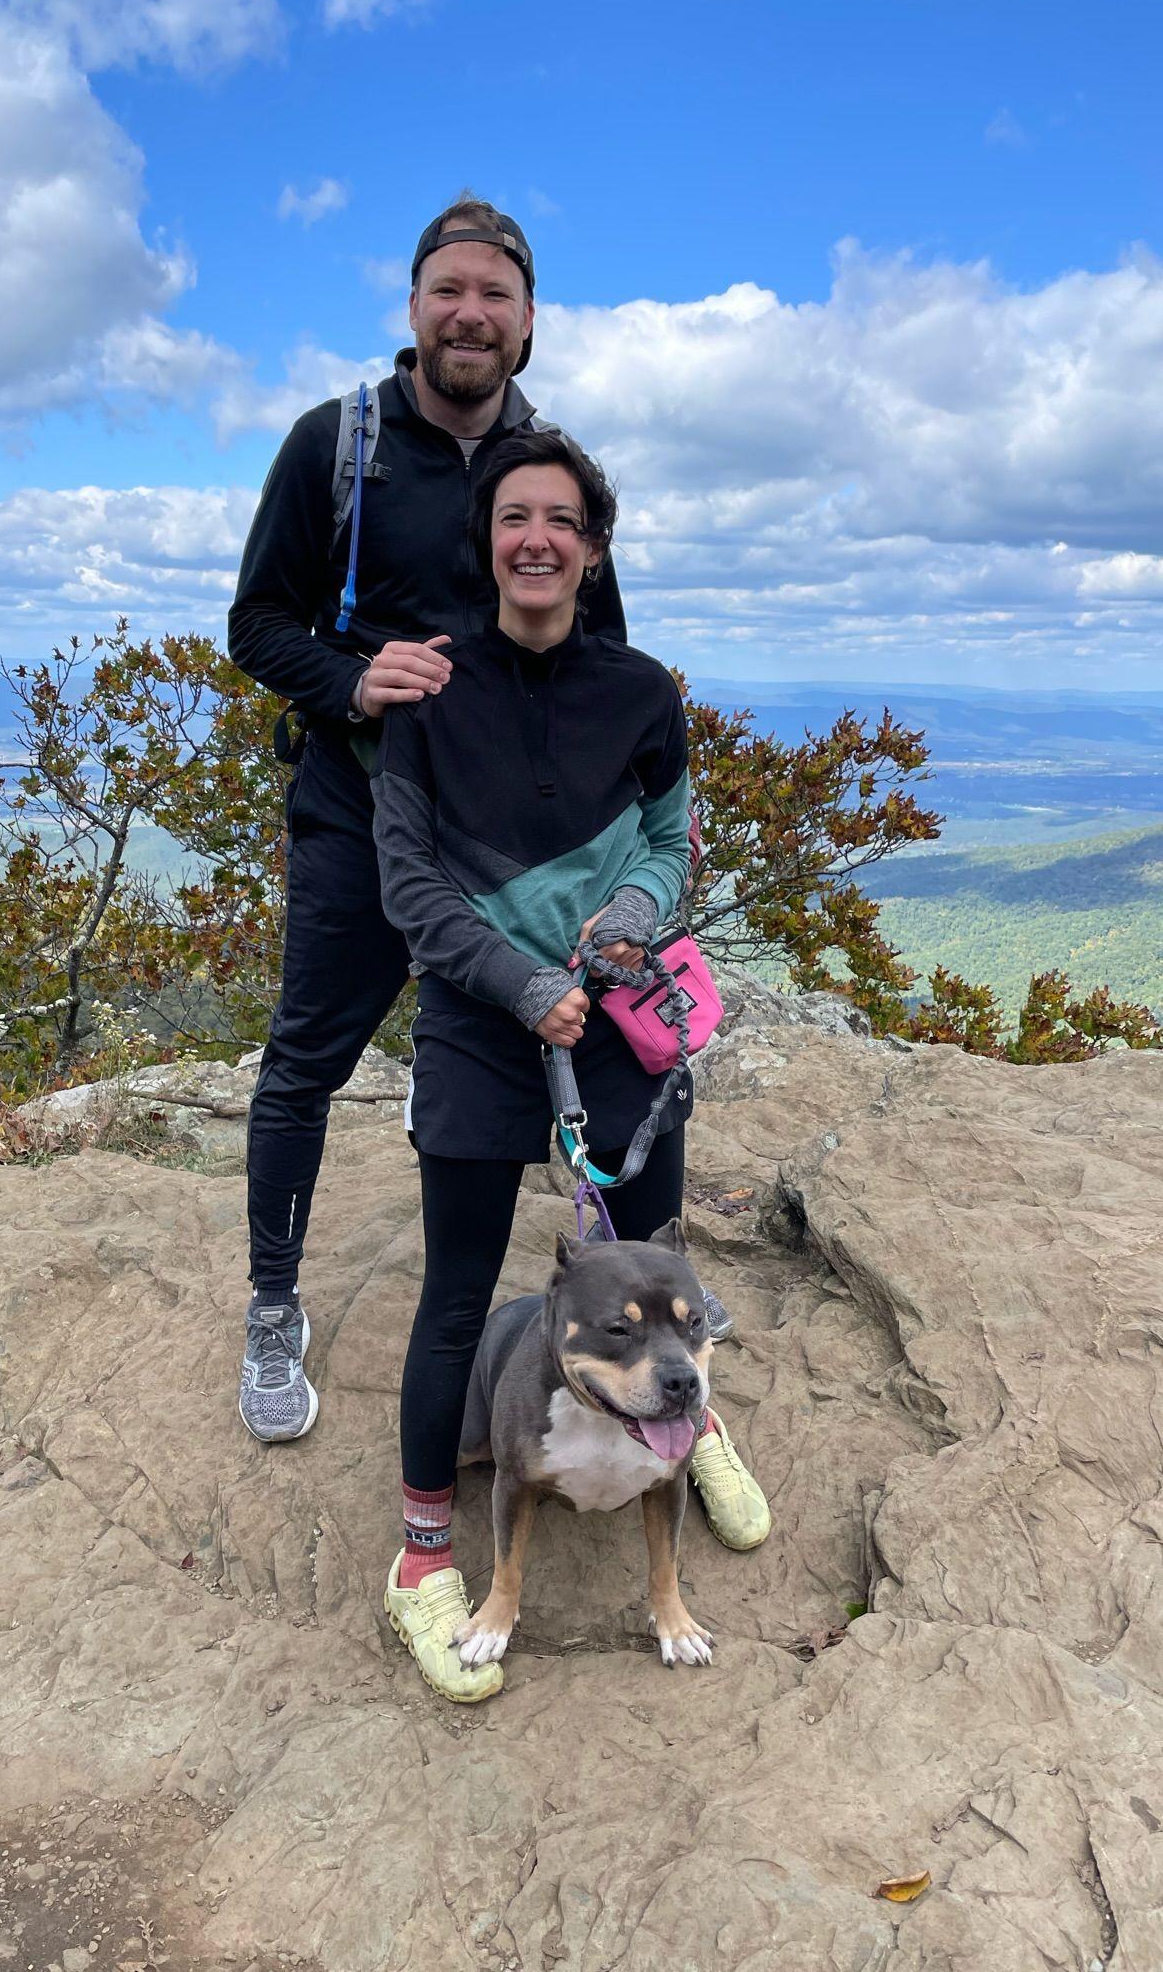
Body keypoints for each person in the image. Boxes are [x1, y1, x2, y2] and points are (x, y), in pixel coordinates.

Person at [227, 193, 700, 1444]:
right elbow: (255, 623)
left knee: (572, 1082)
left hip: (516, 874)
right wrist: (350, 679)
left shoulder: (549, 476)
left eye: (496, 295)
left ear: (530, 323)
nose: (471, 314)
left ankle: (637, 1350)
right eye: (450, 291)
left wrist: (618, 877)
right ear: (415, 309)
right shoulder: (338, 445)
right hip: (358, 821)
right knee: (305, 1067)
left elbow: (602, 661)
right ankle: (275, 1307)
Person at [370, 428, 771, 1702]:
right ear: (488, 541)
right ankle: (426, 1553)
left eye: (562, 520)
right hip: (481, 1026)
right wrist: (523, 981)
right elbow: (410, 883)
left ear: (592, 551)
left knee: (651, 1262)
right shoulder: (431, 693)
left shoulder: (644, 690)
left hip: (624, 1015)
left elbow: (668, 835)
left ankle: (673, 1419)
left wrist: (631, 922)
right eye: (513, 518)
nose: (535, 539)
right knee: (457, 1294)